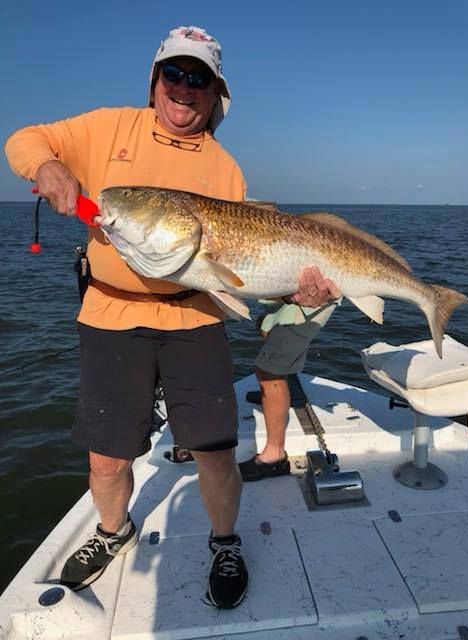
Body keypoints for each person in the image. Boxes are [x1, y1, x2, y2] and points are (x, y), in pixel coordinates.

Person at [5, 24, 338, 608]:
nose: (184, 89)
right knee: (107, 454)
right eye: (174, 74)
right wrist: (47, 168)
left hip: (195, 319)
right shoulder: (108, 126)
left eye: (199, 78)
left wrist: (296, 292)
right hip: (111, 318)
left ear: (216, 93)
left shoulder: (225, 168)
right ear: (155, 79)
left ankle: (225, 540)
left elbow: (241, 267)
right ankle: (113, 531)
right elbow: (26, 138)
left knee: (212, 447)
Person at [239, 275, 341, 482]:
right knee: (266, 329)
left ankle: (274, 455)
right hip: (292, 304)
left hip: (304, 307)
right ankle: (275, 400)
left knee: (268, 373)